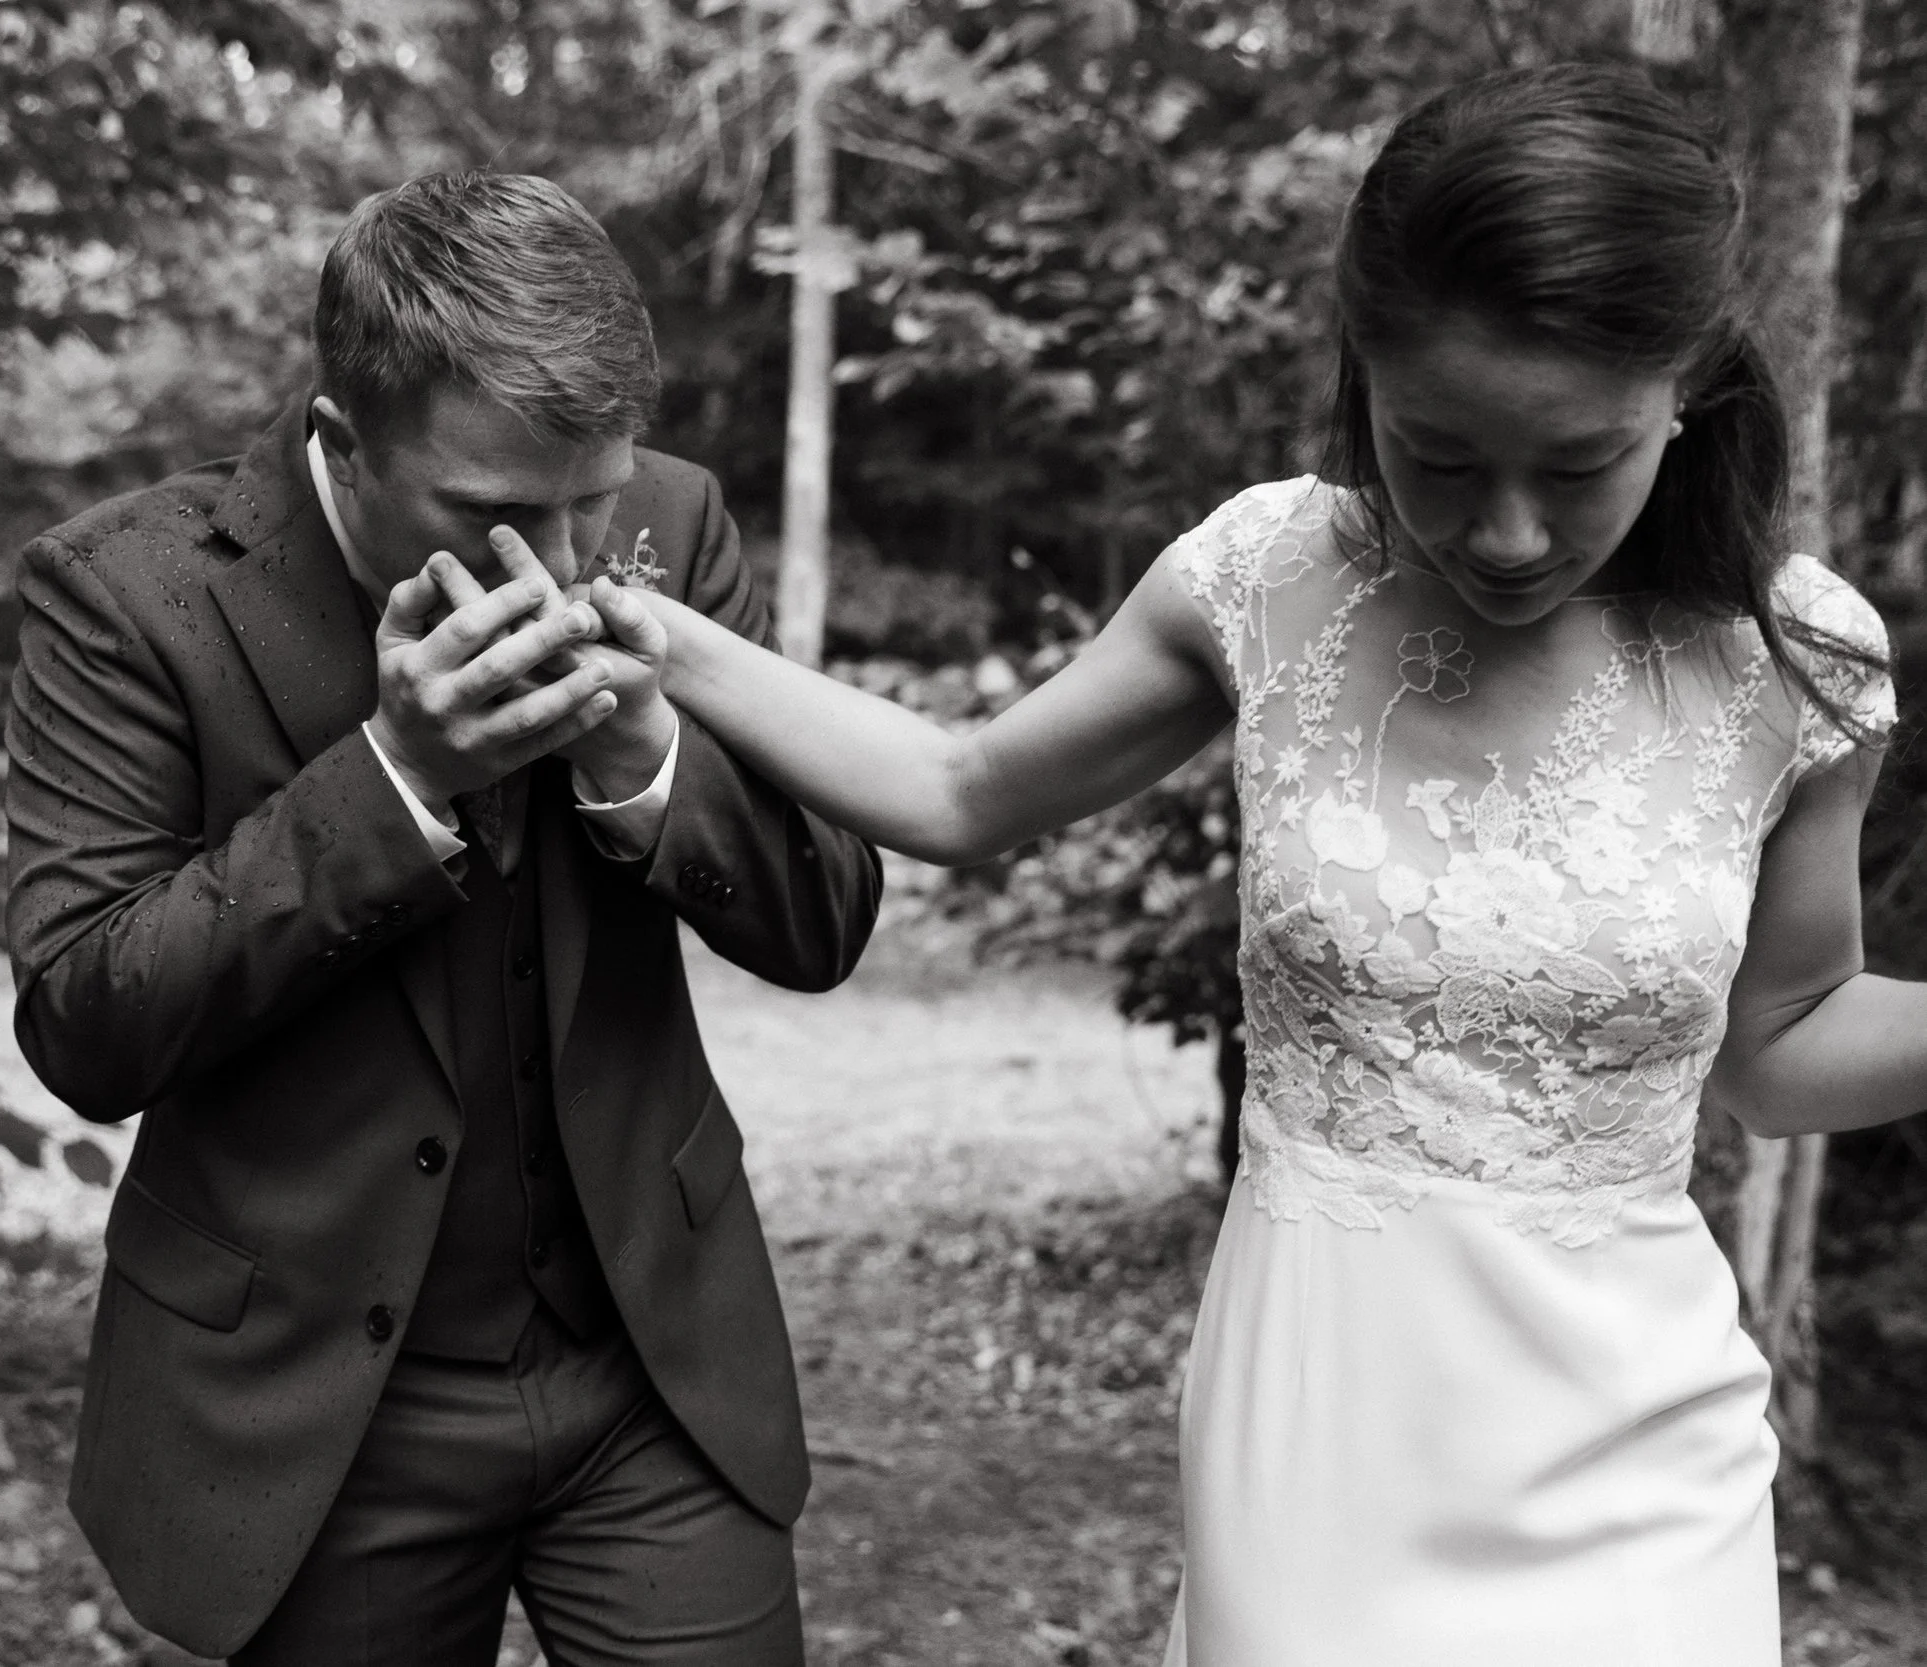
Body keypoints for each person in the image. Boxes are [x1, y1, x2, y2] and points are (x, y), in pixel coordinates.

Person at [577, 64, 1922, 1666]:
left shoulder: (1801, 660)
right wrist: (653, 639)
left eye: (1576, 465)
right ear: (1362, 379)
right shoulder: (1269, 575)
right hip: (1319, 1425)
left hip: (1641, 1442)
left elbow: (1777, 1052)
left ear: (1683, 392)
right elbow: (953, 786)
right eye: (1436, 455)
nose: (1500, 532)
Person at [4, 172, 881, 1666]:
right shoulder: (128, 594)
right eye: (494, 512)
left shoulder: (672, 519)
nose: (559, 557)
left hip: (652, 1365)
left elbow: (822, 917)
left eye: (589, 497)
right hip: (314, 1398)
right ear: (344, 441)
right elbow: (87, 1016)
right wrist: (395, 779)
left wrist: (640, 761)